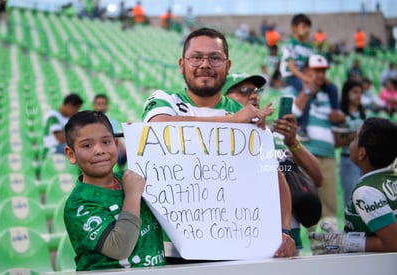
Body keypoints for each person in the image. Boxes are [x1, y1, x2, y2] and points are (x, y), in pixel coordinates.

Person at [142, 27, 295, 258]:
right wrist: (233, 121)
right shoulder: (165, 100)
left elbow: (276, 178)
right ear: (182, 64)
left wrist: (284, 231)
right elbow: (159, 126)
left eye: (215, 58)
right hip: (172, 250)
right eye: (196, 57)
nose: (205, 64)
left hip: (239, 245)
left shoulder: (248, 115)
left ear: (228, 66)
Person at [222, 72, 323, 254]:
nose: (253, 96)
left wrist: (293, 142)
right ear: (223, 99)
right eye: (243, 91)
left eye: (256, 91)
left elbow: (318, 177)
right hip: (243, 241)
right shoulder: (218, 142)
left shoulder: (275, 137)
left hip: (288, 242)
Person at [63, 110, 165, 270]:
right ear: (71, 154)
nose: (99, 150)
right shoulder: (78, 204)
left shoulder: (132, 179)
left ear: (116, 144)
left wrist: (140, 137)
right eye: (87, 145)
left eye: (106, 142)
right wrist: (132, 195)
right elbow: (119, 248)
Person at [309, 117, 397, 254]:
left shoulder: (366, 192)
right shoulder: (391, 177)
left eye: (355, 138)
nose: (350, 142)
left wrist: (347, 242)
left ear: (362, 153)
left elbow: (394, 243)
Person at [282, 54, 346, 223]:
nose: (320, 75)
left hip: (328, 154)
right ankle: (307, 246)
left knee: (330, 206)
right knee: (307, 203)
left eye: (323, 71)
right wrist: (308, 90)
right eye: (316, 70)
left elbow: (337, 118)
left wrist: (340, 117)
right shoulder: (293, 88)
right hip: (304, 154)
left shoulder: (330, 92)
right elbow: (290, 116)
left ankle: (328, 245)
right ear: (305, 70)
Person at [335, 80, 366, 206]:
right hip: (349, 160)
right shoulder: (341, 115)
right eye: (355, 92)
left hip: (364, 162)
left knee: (365, 199)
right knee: (352, 199)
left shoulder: (363, 114)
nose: (358, 95)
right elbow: (337, 142)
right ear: (346, 94)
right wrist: (355, 135)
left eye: (360, 92)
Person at [43, 93, 83, 157]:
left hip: (64, 147)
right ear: (69, 105)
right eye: (76, 109)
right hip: (53, 148)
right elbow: (61, 139)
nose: (76, 111)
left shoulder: (68, 118)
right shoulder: (53, 116)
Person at [93, 94, 127, 167]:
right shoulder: (88, 123)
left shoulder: (112, 122)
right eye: (99, 104)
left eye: (104, 104)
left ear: (107, 106)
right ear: (94, 105)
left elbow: (117, 138)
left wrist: (123, 149)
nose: (101, 106)